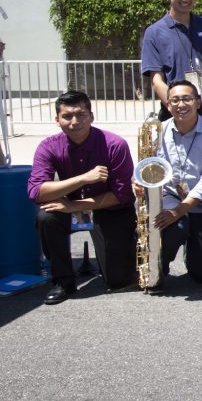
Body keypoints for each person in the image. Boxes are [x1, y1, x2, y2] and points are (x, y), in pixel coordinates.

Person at [28, 90, 136, 304]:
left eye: (81, 114)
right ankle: (63, 281)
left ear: (91, 116)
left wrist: (73, 205)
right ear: (57, 120)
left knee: (118, 280)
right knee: (46, 217)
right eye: (67, 116)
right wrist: (83, 179)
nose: (74, 121)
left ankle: (111, 263)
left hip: (109, 206)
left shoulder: (115, 144)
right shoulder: (48, 146)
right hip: (69, 202)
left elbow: (122, 195)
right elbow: (36, 192)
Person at [149, 80, 202, 285]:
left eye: (187, 99)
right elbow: (147, 166)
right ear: (168, 106)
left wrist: (181, 210)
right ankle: (158, 267)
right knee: (175, 225)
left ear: (198, 102)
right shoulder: (156, 131)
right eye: (174, 100)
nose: (180, 105)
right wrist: (137, 182)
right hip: (171, 197)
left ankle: (193, 249)